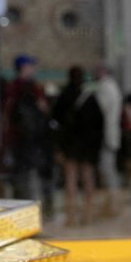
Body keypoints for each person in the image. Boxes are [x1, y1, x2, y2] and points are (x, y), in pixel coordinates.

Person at [52, 66, 103, 226]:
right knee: (87, 176)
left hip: (70, 142)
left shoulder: (64, 96)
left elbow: (55, 119)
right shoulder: (90, 97)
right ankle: (88, 212)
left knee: (71, 177)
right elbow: (99, 122)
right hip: (87, 143)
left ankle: (71, 213)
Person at [3, 55, 52, 210]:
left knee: (22, 176)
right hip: (31, 140)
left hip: (19, 139)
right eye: (31, 66)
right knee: (32, 176)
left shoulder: (12, 87)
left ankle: (22, 209)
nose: (34, 69)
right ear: (24, 67)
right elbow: (44, 108)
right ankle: (31, 210)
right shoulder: (31, 87)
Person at [94, 63, 122, 217]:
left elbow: (101, 109)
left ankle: (112, 203)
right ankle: (112, 202)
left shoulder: (105, 87)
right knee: (109, 169)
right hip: (110, 133)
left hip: (106, 134)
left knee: (107, 169)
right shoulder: (112, 86)